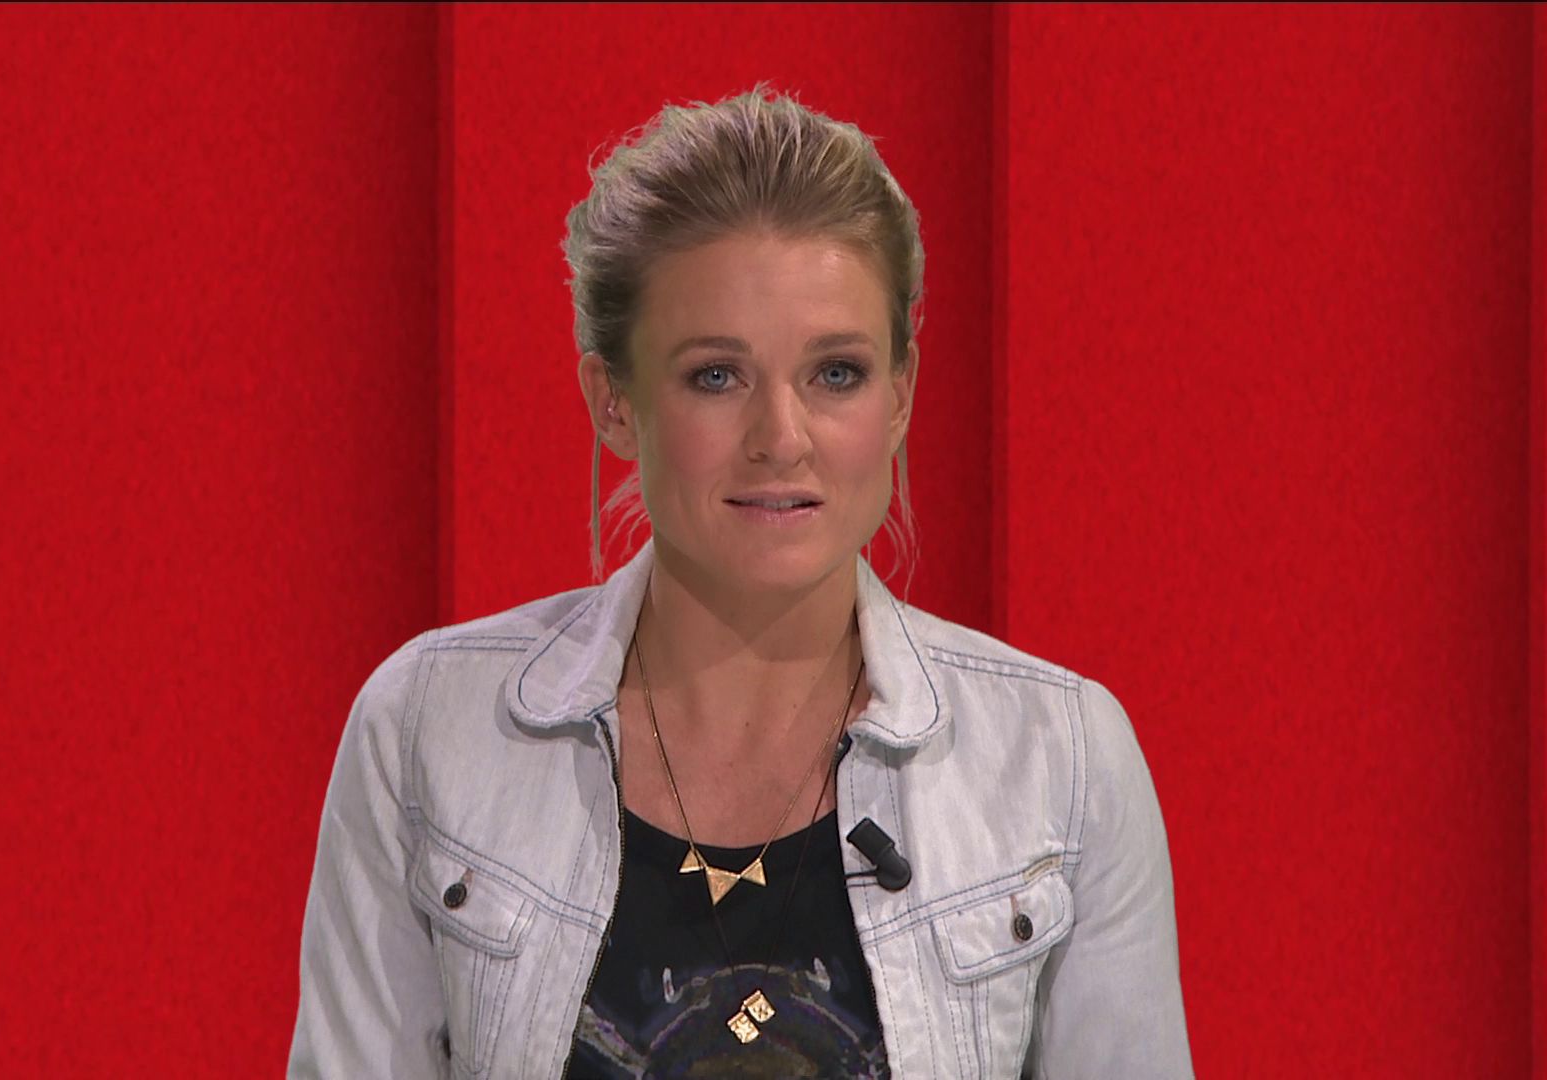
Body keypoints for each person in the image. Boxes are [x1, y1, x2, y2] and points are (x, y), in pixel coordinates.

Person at [289, 82, 1193, 1079]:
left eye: (836, 373)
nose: (781, 437)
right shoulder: (428, 730)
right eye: (716, 375)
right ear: (614, 401)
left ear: (900, 395)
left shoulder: (1061, 761)